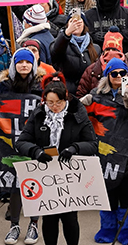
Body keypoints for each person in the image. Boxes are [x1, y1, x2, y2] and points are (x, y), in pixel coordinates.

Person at [16, 74, 98, 245]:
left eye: (58, 103)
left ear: (65, 99)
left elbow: (92, 144)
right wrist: (36, 152)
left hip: (69, 174)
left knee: (70, 218)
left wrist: (74, 148)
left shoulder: (78, 114)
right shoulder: (38, 114)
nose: (54, 107)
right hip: (46, 174)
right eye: (50, 102)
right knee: (49, 219)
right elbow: (22, 142)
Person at [81, 58, 128, 245]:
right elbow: (82, 121)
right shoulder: (97, 94)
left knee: (126, 193)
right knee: (107, 194)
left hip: (127, 153)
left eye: (122, 73)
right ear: (107, 76)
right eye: (114, 73)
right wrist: (81, 105)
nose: (118, 77)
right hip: (104, 153)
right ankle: (108, 228)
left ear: (127, 74)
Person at [1, 49, 45, 245]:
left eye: (28, 62)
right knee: (15, 186)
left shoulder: (42, 85)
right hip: (9, 143)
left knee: (34, 184)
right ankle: (14, 225)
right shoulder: (3, 87)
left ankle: (34, 224)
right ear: (14, 65)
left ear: (33, 65)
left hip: (34, 143)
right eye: (20, 62)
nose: (24, 65)